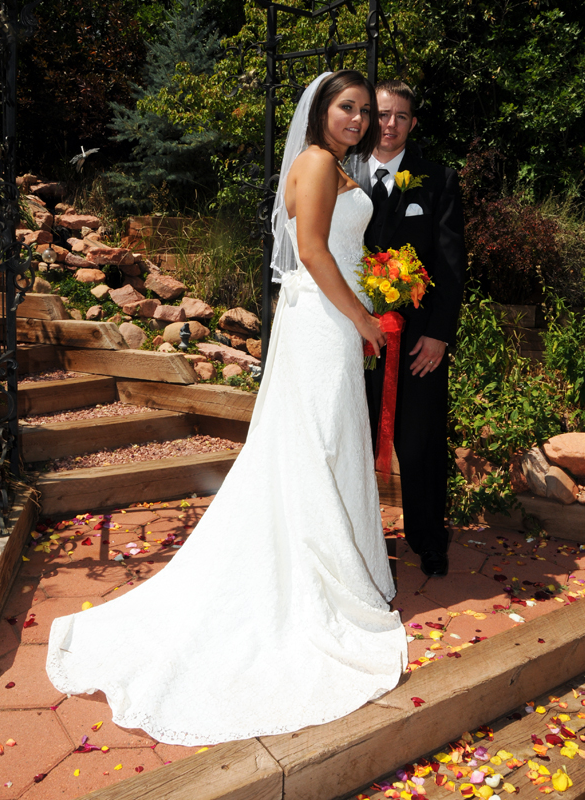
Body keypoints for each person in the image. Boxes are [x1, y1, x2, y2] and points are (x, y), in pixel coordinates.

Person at [46, 70, 408, 746]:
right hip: (326, 317)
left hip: (319, 319)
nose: (358, 119)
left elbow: (328, 252)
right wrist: (362, 315)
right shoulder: (320, 163)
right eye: (347, 108)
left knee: (319, 442)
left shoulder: (327, 164)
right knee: (318, 442)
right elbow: (309, 253)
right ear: (322, 112)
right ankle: (322, 580)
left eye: (365, 110)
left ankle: (342, 564)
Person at [347, 80, 466, 578]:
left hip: (417, 343)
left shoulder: (437, 178)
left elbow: (451, 261)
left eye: (400, 116)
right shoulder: (341, 171)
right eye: (382, 114)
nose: (390, 124)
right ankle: (353, 542)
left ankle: (427, 539)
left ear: (412, 123)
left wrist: (439, 334)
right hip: (351, 337)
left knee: (419, 445)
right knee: (352, 437)